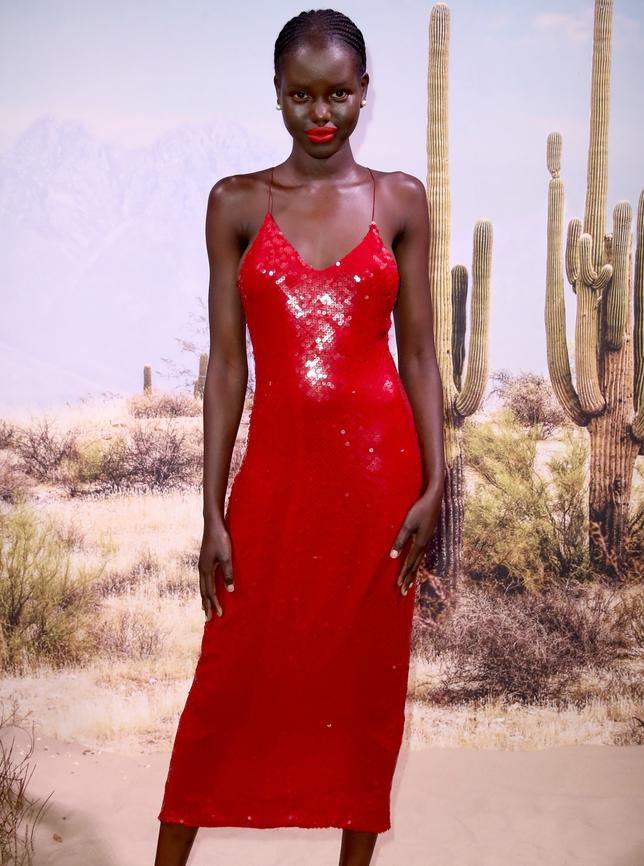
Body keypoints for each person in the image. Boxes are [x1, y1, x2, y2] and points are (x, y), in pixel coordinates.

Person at [154, 8, 445, 866]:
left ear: (365, 93)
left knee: (364, 692)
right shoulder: (237, 203)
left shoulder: (401, 200)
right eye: (301, 96)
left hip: (379, 485)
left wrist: (434, 487)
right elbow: (226, 371)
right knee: (230, 684)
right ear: (277, 96)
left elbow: (422, 354)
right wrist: (212, 509)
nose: (321, 115)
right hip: (276, 480)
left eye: (339, 94)